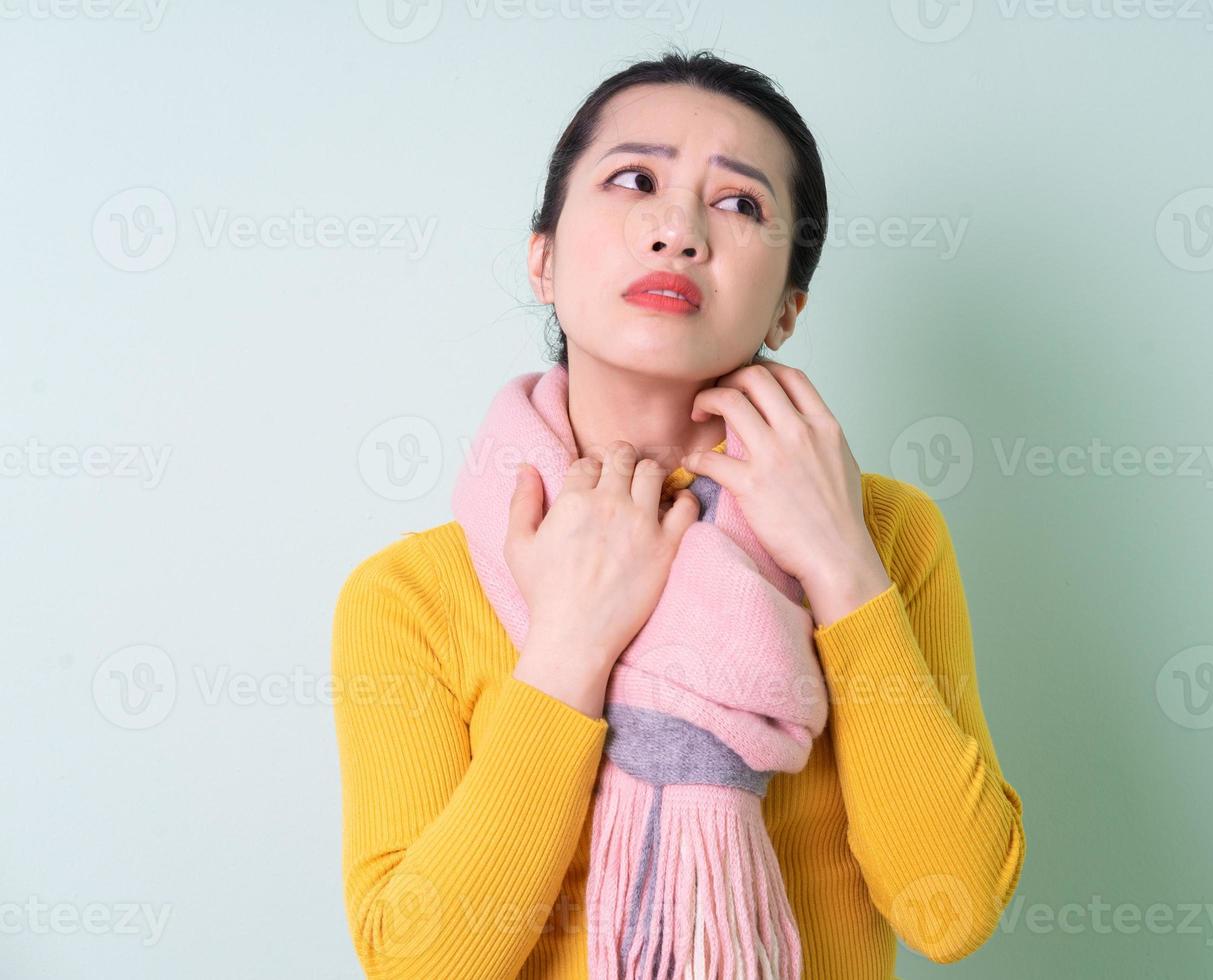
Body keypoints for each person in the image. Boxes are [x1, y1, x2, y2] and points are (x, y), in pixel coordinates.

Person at [331, 46, 1026, 979]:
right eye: (634, 180)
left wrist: (841, 564)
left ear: (787, 308)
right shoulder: (410, 593)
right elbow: (420, 966)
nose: (679, 230)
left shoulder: (889, 535)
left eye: (741, 203)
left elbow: (953, 908)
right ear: (542, 258)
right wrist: (572, 646)